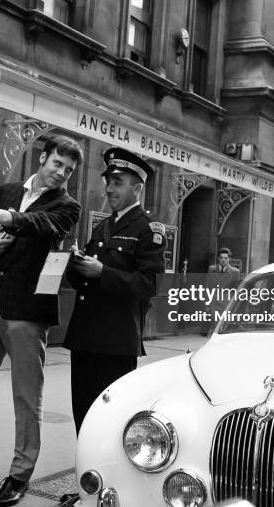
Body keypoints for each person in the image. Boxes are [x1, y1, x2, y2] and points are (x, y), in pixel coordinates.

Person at [0, 135, 83, 507]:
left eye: (69, 170)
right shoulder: (8, 190)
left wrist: (8, 218)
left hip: (28, 311)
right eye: (57, 164)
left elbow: (44, 226)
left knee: (27, 397)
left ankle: (20, 475)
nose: (61, 173)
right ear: (43, 158)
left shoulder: (68, 205)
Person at [63, 147, 166, 434]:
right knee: (83, 416)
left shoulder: (148, 229)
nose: (109, 188)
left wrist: (102, 272)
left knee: (111, 420)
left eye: (118, 182)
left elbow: (149, 285)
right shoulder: (104, 226)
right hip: (85, 336)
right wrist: (75, 265)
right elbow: (86, 282)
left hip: (116, 341)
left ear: (137, 188)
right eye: (108, 181)